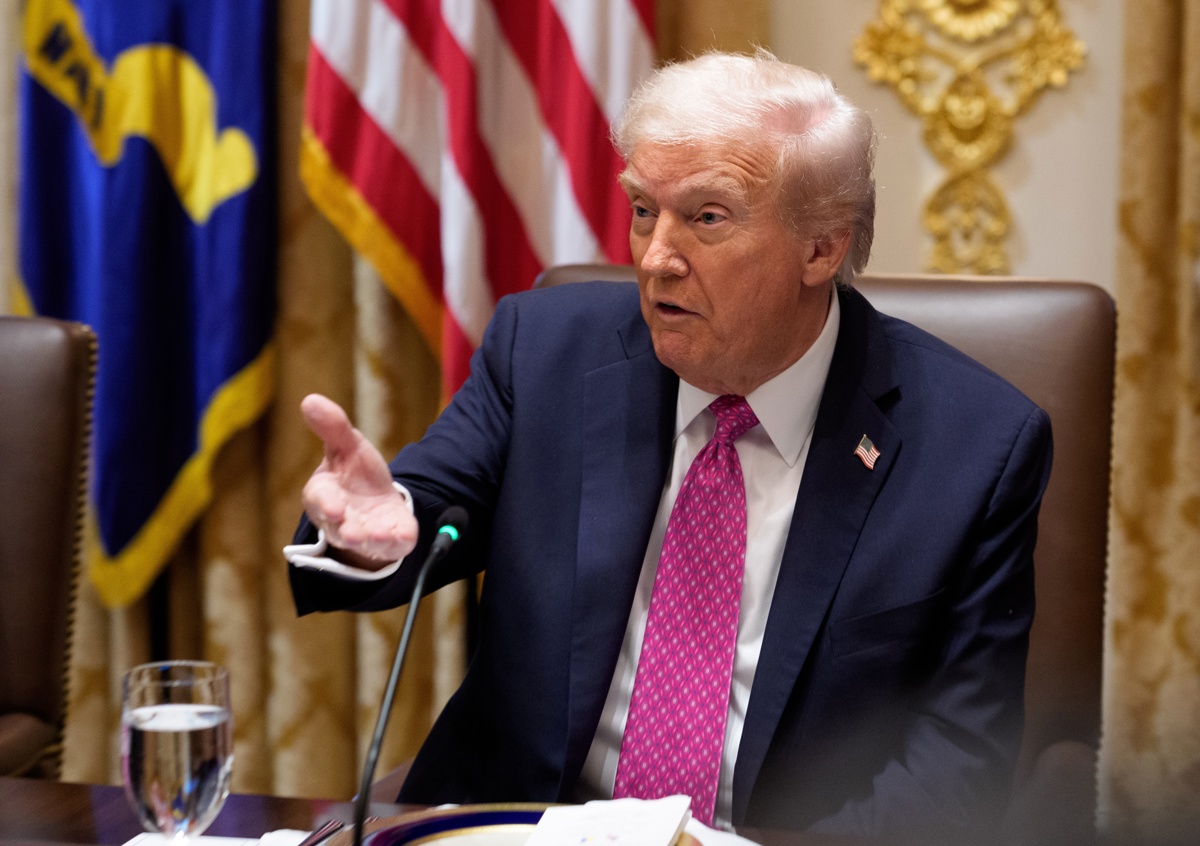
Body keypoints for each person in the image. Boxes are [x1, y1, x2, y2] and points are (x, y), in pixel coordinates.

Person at [286, 51, 1052, 842]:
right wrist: (369, 537)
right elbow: (412, 517)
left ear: (822, 249)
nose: (655, 258)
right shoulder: (545, 353)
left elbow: (957, 767)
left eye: (707, 217)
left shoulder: (973, 447)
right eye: (644, 209)